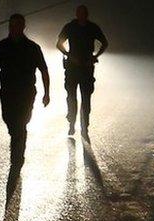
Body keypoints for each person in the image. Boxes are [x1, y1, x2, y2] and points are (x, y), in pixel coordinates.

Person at [0, 13, 50, 166]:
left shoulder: (32, 48)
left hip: (26, 92)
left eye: (18, 25)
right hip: (7, 92)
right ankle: (18, 140)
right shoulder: (1, 46)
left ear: (23, 27)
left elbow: (44, 70)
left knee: (21, 122)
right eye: (12, 25)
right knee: (9, 121)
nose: (14, 28)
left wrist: (47, 93)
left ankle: (17, 154)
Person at [56, 5, 108, 136]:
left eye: (83, 13)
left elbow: (104, 43)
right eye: (80, 13)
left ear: (86, 14)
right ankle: (72, 123)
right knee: (72, 97)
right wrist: (69, 56)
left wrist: (94, 56)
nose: (81, 15)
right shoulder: (70, 27)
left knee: (85, 98)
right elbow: (59, 44)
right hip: (73, 67)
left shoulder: (92, 27)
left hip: (86, 66)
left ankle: (84, 125)